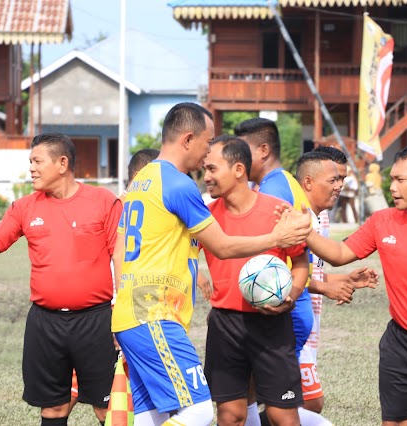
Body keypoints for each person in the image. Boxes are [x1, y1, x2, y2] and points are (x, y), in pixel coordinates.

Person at [111, 103, 312, 426]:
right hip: (153, 314)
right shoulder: (178, 184)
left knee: (151, 415)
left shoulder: (141, 181)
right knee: (199, 410)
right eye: (206, 143)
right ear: (188, 139)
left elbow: (120, 250)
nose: (205, 157)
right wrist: (276, 236)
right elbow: (221, 245)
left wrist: (119, 301)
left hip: (129, 314)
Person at [304, 144, 407, 426]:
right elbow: (339, 254)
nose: (392, 187)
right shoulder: (382, 221)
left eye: (400, 180)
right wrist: (302, 229)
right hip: (400, 343)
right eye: (391, 179)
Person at [0, 133, 122, 426]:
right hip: (45, 324)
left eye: (37, 161)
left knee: (107, 410)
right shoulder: (24, 207)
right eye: (30, 162)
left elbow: (121, 259)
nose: (31, 169)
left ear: (62, 163)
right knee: (53, 410)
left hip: (97, 322)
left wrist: (123, 312)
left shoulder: (103, 201)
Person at [202, 135, 309, 426]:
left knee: (282, 416)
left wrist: (293, 295)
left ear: (238, 169)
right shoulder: (205, 217)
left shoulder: (277, 210)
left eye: (212, 169)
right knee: (231, 415)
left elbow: (300, 263)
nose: (206, 177)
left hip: (271, 325)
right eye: (204, 169)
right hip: (224, 325)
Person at [67, 147, 159, 417]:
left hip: (113, 312)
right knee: (104, 400)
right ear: (145, 176)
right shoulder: (123, 210)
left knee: (102, 394)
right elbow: (112, 262)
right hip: (111, 312)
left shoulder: (139, 208)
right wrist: (118, 308)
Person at [234, 117, 315, 424]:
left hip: (283, 308)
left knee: (272, 402)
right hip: (290, 303)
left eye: (244, 151)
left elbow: (281, 256)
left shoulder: (273, 191)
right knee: (253, 394)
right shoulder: (282, 181)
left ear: (264, 150)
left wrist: (290, 295)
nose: (238, 159)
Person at [294, 151, 378, 419]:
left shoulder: (323, 219)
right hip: (290, 324)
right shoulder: (296, 217)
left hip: (309, 326)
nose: (339, 186)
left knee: (287, 403)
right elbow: (283, 275)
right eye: (334, 179)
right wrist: (323, 288)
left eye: (342, 179)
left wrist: (345, 280)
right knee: (311, 402)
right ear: (309, 181)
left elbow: (313, 272)